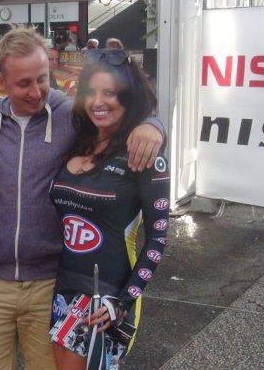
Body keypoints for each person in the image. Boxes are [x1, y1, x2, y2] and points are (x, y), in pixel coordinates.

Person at [0, 27, 164, 370]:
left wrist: (153, 124)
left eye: (42, 78)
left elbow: (118, 112)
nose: (36, 91)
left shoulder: (71, 116)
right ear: (1, 80)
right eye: (23, 83)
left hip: (50, 281)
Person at [49, 49, 169, 369]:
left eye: (110, 93)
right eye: (91, 92)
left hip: (106, 295)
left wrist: (124, 301)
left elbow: (157, 239)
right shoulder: (78, 140)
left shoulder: (142, 152)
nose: (98, 102)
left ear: (128, 98)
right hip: (61, 287)